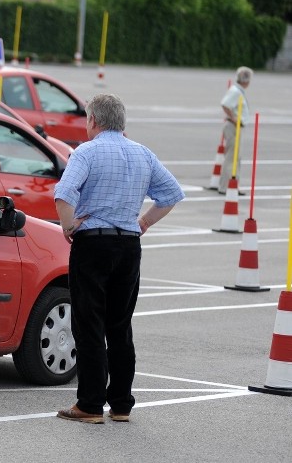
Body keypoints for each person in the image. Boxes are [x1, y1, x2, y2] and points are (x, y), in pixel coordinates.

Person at [53, 93, 185, 424]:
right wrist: (144, 222)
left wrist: (69, 226)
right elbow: (171, 194)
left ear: (93, 121)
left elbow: (63, 194)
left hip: (93, 245)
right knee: (120, 325)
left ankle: (90, 405)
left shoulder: (86, 152)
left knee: (89, 324)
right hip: (128, 246)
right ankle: (122, 404)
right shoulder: (143, 153)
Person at [218, 66, 253, 193]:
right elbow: (225, 104)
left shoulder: (238, 90)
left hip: (237, 127)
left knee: (236, 157)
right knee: (232, 157)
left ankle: (232, 185)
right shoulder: (236, 91)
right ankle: (226, 186)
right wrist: (234, 118)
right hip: (233, 127)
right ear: (246, 80)